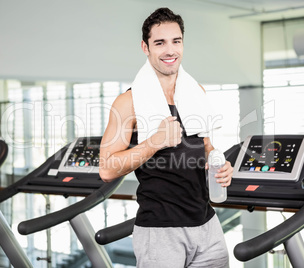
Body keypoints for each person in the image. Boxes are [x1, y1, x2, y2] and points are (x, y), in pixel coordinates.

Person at [99, 7, 233, 268]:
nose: (170, 50)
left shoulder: (196, 92)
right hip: (159, 231)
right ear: (145, 47)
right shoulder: (129, 102)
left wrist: (220, 164)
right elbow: (106, 169)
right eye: (160, 43)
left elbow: (204, 144)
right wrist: (154, 141)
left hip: (207, 225)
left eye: (176, 41)